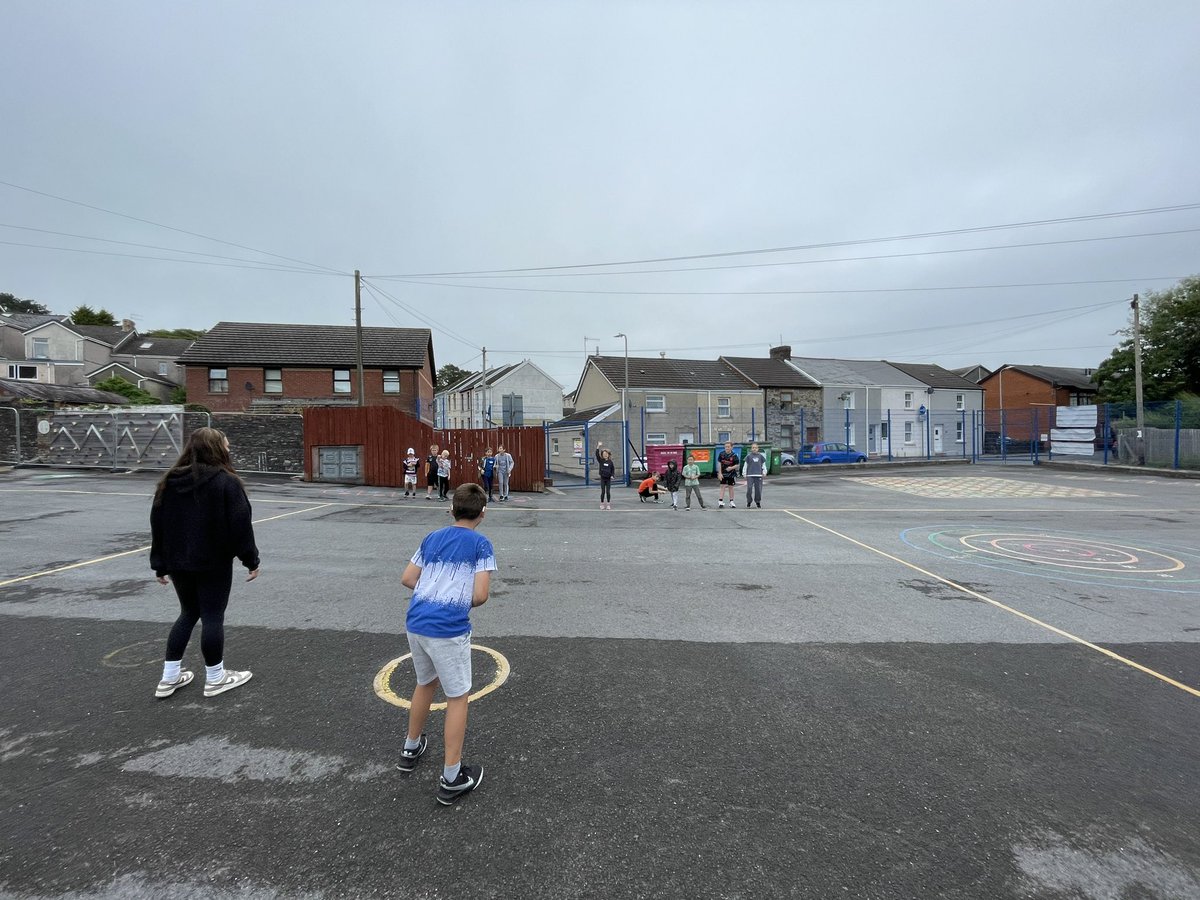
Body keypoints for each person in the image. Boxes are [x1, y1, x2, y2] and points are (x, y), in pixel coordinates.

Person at [396, 483, 496, 806]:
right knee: (457, 697)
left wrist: (434, 590)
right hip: (447, 628)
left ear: (451, 509)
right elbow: (480, 595)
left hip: (416, 620)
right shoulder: (481, 544)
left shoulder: (431, 538)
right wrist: (453, 598)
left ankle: (411, 746)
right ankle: (451, 776)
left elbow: (408, 578)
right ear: (482, 513)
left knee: (425, 682)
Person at [150, 427, 259, 700]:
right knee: (212, 615)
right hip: (213, 561)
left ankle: (169, 677)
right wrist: (251, 559)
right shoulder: (227, 482)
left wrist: (159, 563)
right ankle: (215, 677)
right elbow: (240, 525)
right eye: (227, 445)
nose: (229, 449)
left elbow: (158, 524)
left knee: (188, 613)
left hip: (177, 561)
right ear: (217, 449)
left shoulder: (169, 481)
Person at [742, 441, 768, 508]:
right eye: (753, 448)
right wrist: (744, 473)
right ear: (751, 449)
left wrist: (764, 472)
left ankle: (758, 502)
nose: (754, 449)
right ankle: (749, 501)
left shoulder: (761, 456)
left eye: (755, 448)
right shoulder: (748, 456)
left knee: (758, 490)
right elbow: (745, 465)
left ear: (758, 448)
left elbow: (763, 465)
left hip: (758, 475)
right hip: (750, 475)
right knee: (749, 489)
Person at [717, 441, 740, 509]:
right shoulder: (721, 454)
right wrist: (719, 473)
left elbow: (737, 465)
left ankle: (731, 502)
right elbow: (719, 464)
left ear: (732, 447)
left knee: (731, 487)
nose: (727, 448)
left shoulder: (734, 455)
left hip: (731, 474)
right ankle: (720, 501)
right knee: (722, 486)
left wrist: (731, 468)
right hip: (723, 473)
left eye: (728, 447)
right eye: (725, 447)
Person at [595, 445, 615, 510]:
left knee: (608, 492)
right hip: (603, 479)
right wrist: (598, 447)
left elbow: (612, 470)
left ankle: (608, 504)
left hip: (608, 479)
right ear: (602, 455)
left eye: (606, 454)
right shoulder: (601, 461)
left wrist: (612, 475)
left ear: (608, 455)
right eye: (604, 454)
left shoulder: (610, 462)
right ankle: (602, 504)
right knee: (603, 492)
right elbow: (597, 455)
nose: (605, 455)